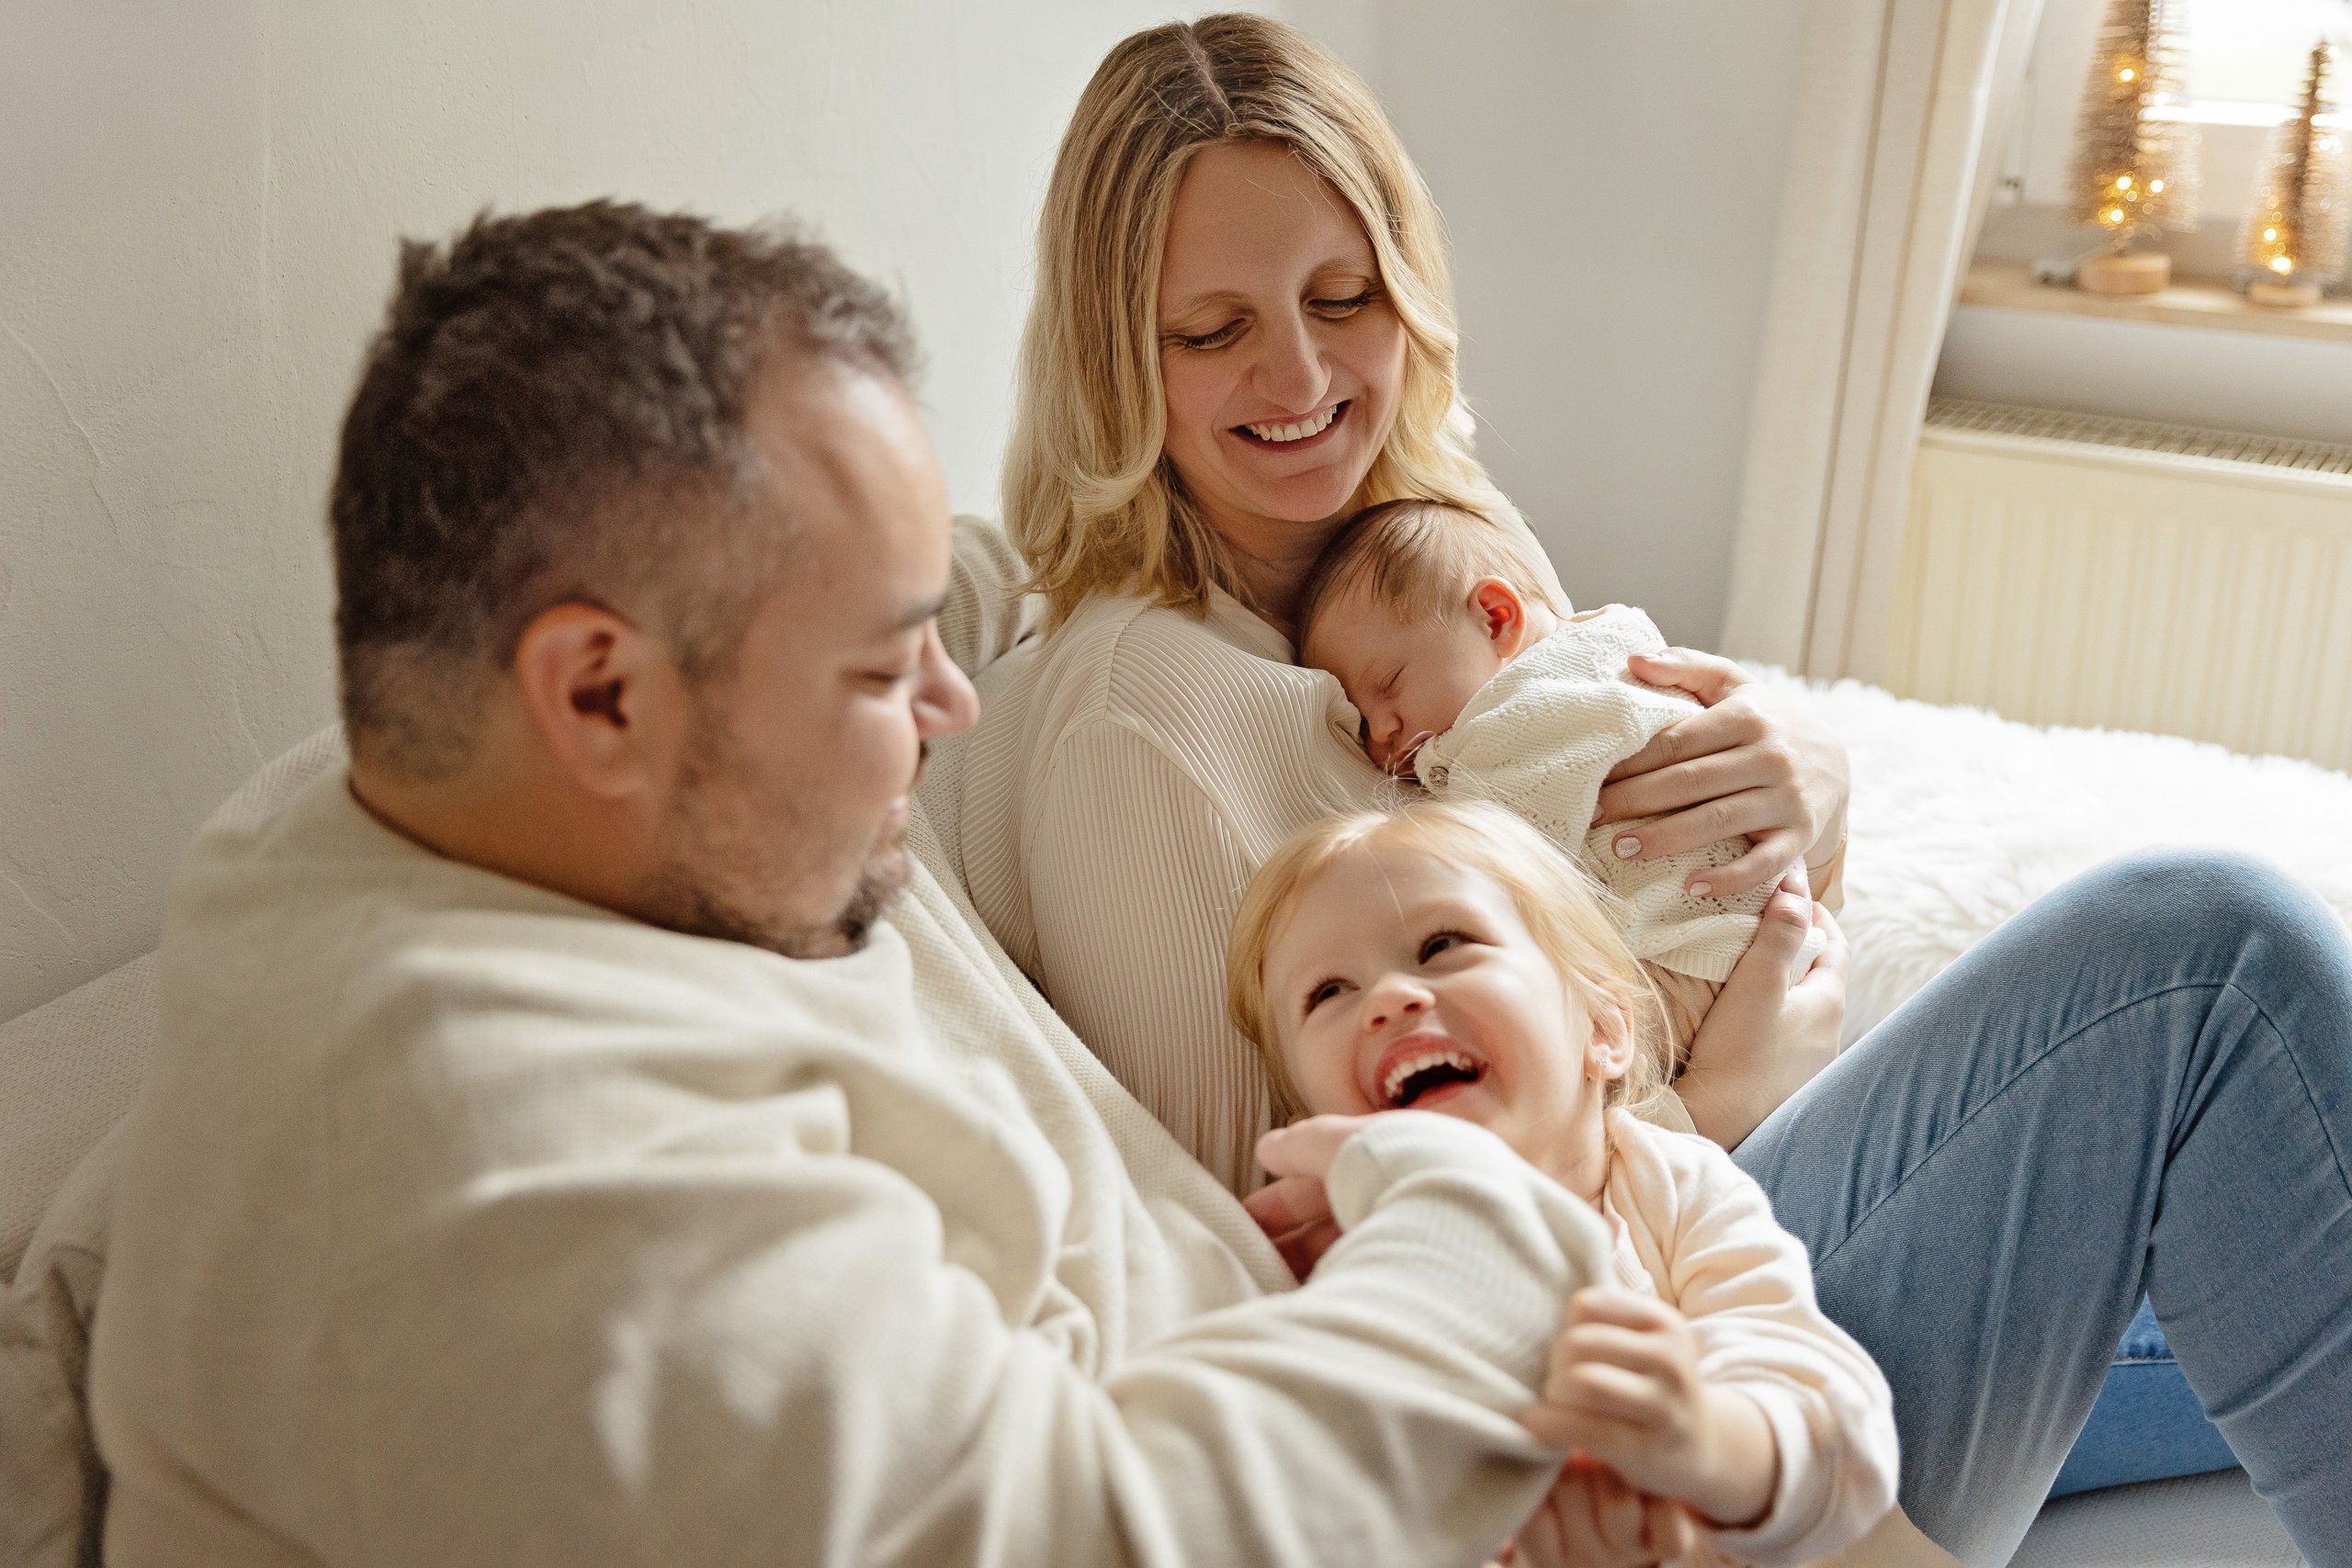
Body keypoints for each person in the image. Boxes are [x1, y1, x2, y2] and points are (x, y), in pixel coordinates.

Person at [950, 14, 2352, 1560]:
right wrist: (1721, 1101)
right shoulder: (1138, 713)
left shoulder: (1432, 535)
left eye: (1342, 296)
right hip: (1635, 1322)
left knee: (2259, 1181)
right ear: (1111, 355)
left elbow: (1633, 891)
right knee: (2205, 964)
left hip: (1723, 1216)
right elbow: (1266, 1256)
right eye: (1210, 329)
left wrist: (1805, 792)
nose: (1297, 373)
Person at [86, 203, 1627, 1567]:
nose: (950, 701)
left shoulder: (487, 789)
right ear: (603, 696)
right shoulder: (537, 1197)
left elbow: (986, 560)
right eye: (888, 665)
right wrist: (1475, 1208)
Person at [1227, 801, 1898, 1563]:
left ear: (1604, 1030)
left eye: (1442, 944)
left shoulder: (1668, 1185)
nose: (1387, 998)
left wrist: (1708, 1441)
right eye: (1328, 993)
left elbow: (1836, 1423)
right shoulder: (1345, 1272)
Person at [1292, 497, 1826, 1007]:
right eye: (1359, 720)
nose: (1380, 732)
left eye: (1389, 684)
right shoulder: (1605, 641)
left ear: (1496, 619)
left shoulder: (1515, 720)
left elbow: (1502, 860)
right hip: (1771, 927)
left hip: (1687, 953)